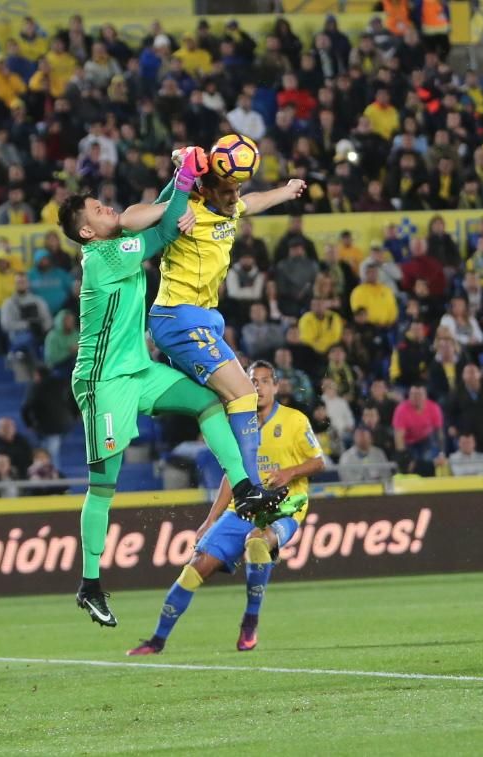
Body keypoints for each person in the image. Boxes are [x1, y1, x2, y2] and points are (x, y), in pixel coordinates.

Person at [58, 147, 291, 628]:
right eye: (98, 210)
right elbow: (164, 231)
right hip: (103, 382)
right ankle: (90, 584)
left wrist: (180, 179)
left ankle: (244, 488)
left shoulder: (118, 241)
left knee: (209, 402)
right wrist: (184, 174)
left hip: (139, 370)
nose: (107, 208)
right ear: (87, 232)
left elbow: (164, 212)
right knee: (103, 486)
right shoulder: (103, 257)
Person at [128, 360, 322, 655]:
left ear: (275, 386)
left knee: (257, 542)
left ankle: (250, 621)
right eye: (252, 380)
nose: (258, 386)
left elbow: (318, 462)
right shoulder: (238, 424)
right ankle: (157, 640)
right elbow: (231, 475)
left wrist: (290, 472)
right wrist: (210, 519)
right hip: (243, 508)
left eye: (264, 381)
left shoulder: (295, 420)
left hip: (285, 507)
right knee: (195, 567)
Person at [148, 140, 306, 493]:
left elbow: (255, 202)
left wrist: (286, 190)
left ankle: (242, 485)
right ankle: (250, 486)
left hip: (202, 318)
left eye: (237, 190)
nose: (235, 197)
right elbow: (153, 213)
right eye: (227, 191)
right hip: (177, 317)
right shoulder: (186, 210)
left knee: (220, 402)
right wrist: (180, 168)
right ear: (205, 190)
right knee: (245, 394)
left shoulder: (229, 209)